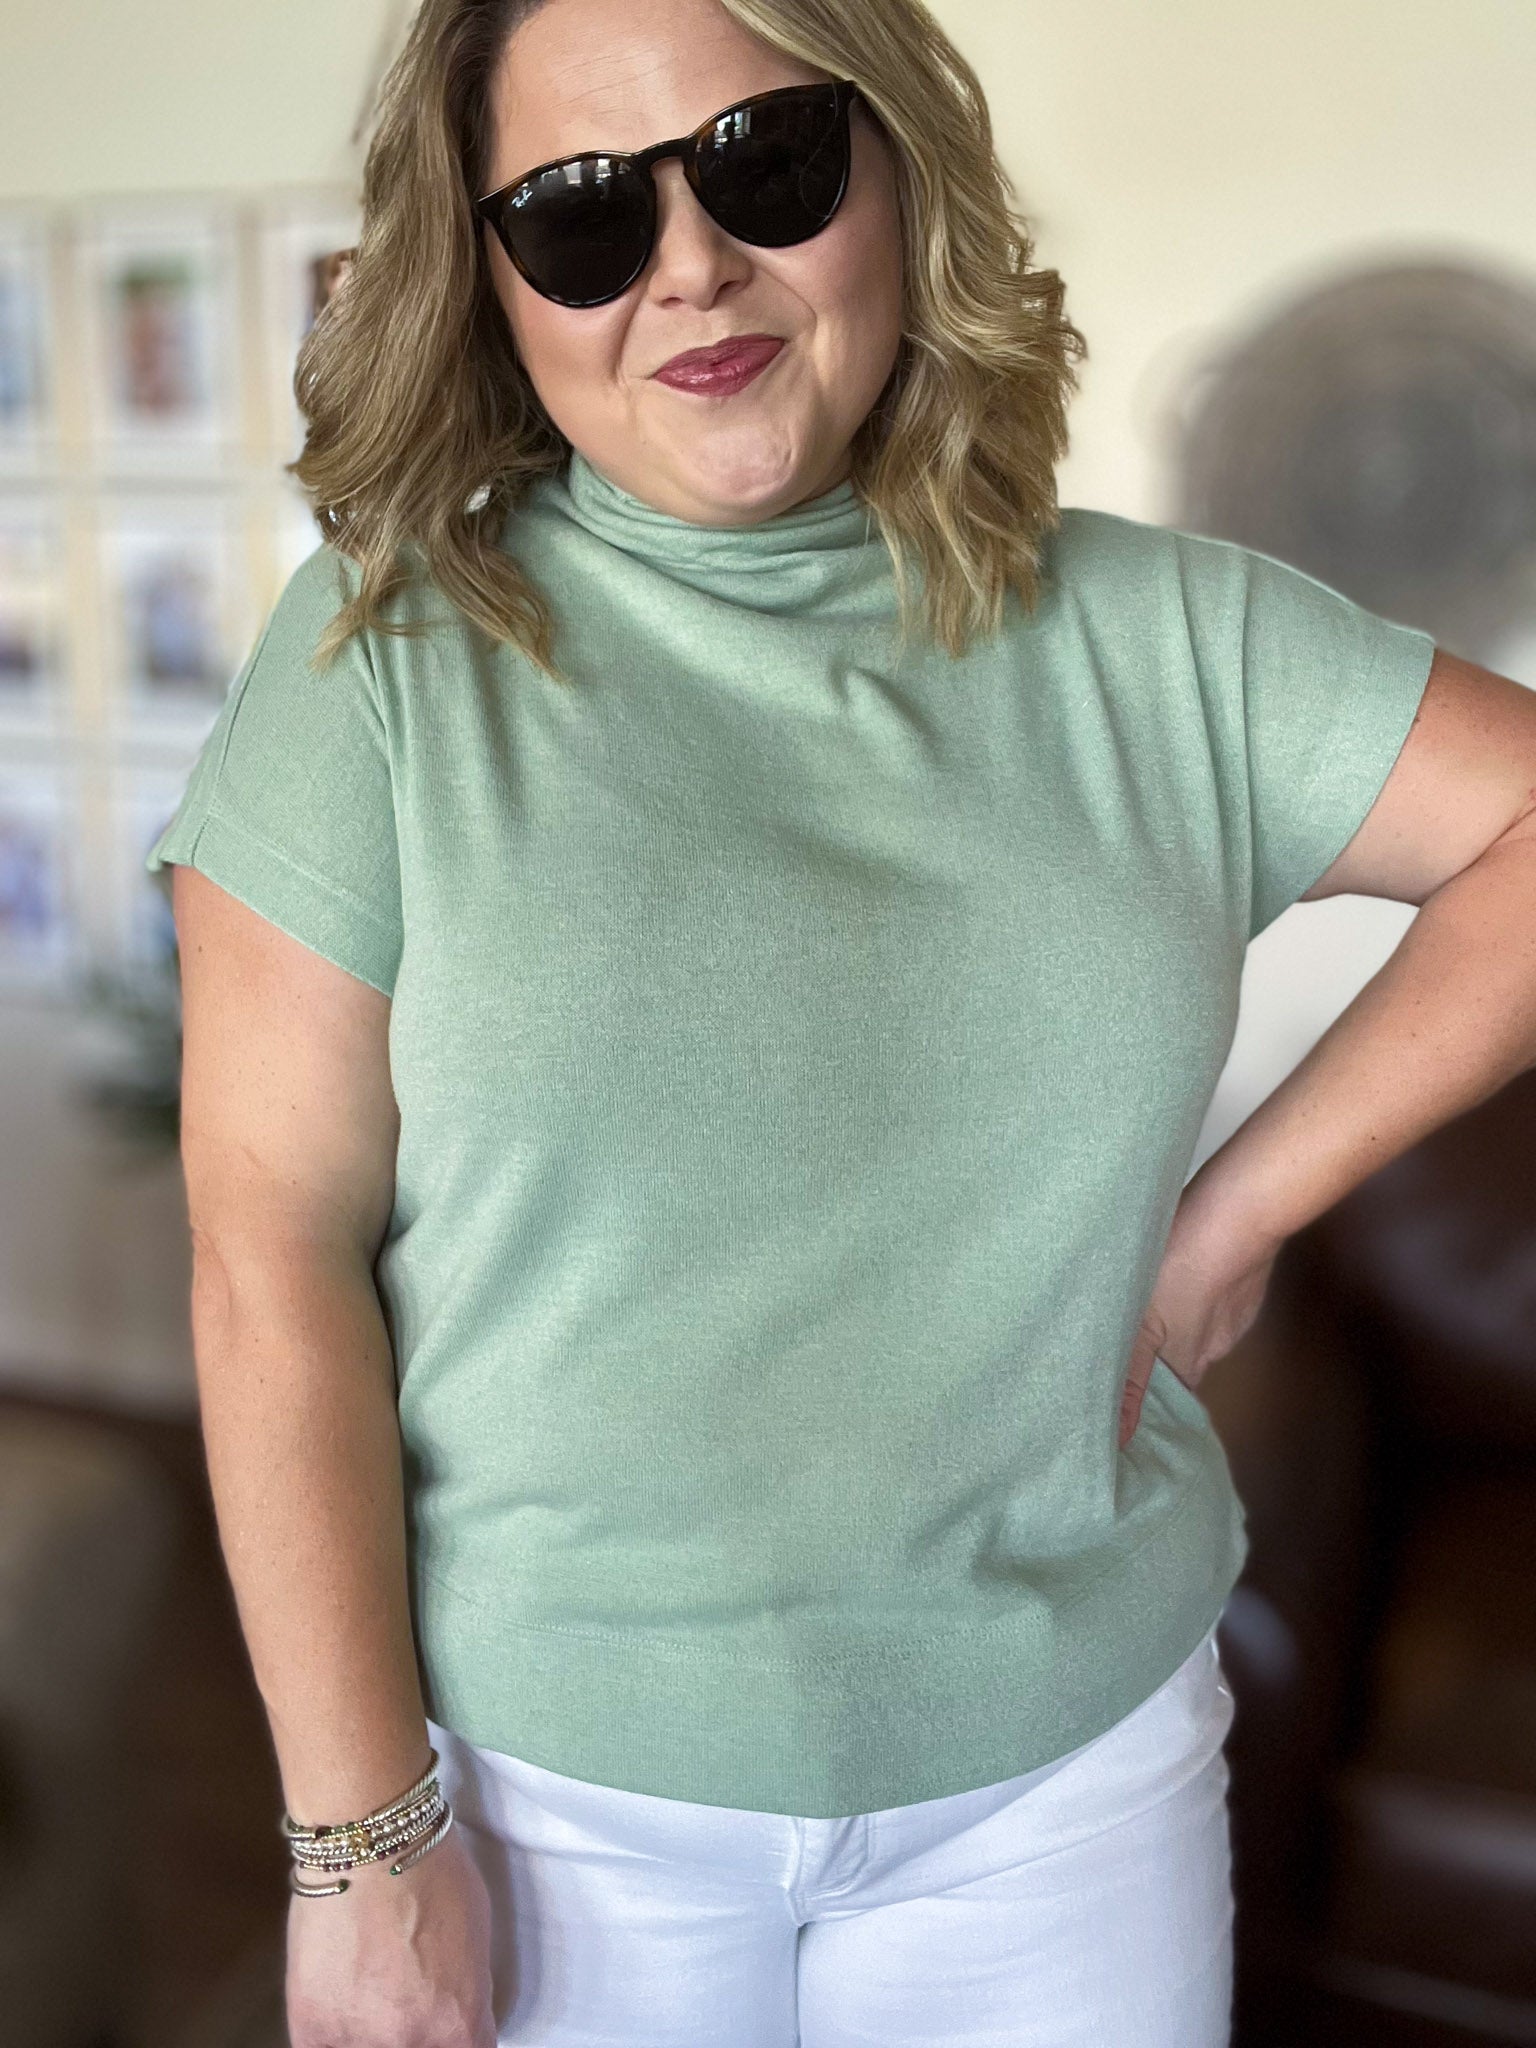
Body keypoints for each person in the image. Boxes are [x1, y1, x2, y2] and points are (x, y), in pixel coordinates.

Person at [146, 0, 1536, 2041]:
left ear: (897, 173)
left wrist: (1236, 1218)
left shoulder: (1165, 640)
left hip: (1068, 1787)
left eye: (766, 161)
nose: (691, 266)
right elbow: (267, 1254)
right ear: (493, 285)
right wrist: (362, 1844)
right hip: (554, 1802)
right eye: (581, 215)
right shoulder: (381, 669)